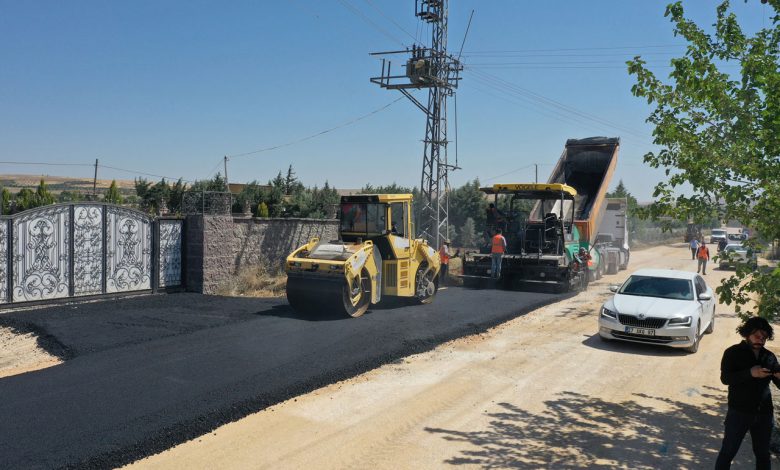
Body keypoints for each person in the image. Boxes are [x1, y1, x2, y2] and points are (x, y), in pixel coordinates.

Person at [715, 317, 780, 469]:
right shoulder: (732, 353)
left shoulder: (769, 356)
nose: (760, 339)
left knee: (763, 454)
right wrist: (750, 373)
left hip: (764, 413)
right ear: (746, 334)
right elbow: (725, 378)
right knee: (728, 452)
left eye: (764, 337)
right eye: (757, 335)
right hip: (739, 412)